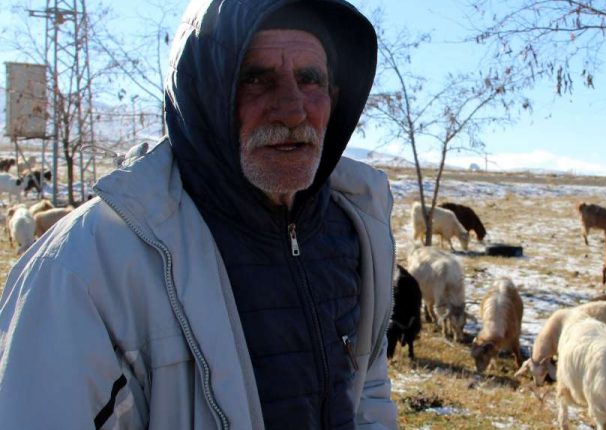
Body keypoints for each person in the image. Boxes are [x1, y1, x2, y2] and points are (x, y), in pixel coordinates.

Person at [0, 0, 398, 428]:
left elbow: (367, 386)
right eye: (256, 79)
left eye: (310, 79)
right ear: (204, 97)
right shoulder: (85, 268)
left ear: (335, 99)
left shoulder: (353, 229)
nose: (292, 109)